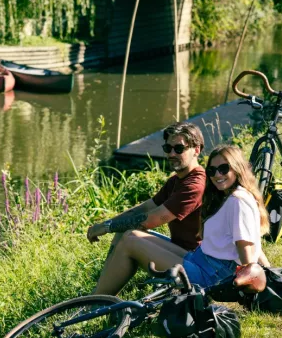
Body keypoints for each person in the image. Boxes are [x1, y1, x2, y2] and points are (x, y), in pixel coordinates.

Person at [94, 144, 270, 295]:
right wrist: (270, 271)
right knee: (131, 235)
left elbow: (246, 246)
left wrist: (251, 278)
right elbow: (254, 240)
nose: (217, 175)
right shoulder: (233, 196)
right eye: (212, 170)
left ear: (237, 168)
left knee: (130, 244)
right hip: (201, 260)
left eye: (223, 169)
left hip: (211, 276)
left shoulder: (237, 200)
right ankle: (97, 297)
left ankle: (94, 305)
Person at [87, 122, 207, 287]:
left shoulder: (195, 185)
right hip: (179, 250)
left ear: (197, 150)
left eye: (179, 149)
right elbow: (144, 208)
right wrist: (106, 224)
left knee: (130, 237)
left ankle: (96, 304)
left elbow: (149, 220)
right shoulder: (177, 180)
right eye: (168, 148)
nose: (172, 154)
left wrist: (106, 227)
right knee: (123, 231)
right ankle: (101, 288)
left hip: (195, 261)